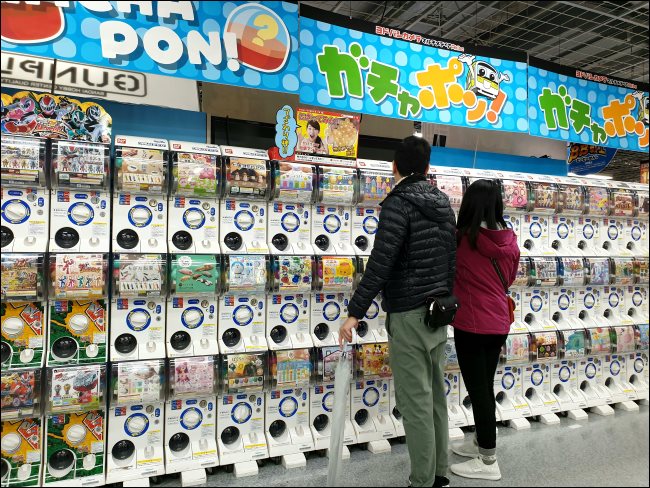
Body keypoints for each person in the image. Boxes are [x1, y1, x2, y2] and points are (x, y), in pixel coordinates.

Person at [339, 136, 457, 488]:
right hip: (438, 313)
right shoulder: (442, 203)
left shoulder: (398, 203)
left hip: (408, 314)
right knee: (436, 396)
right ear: (426, 167)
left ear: (395, 166)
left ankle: (421, 480)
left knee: (414, 401)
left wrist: (354, 312)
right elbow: (451, 261)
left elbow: (381, 263)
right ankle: (439, 472)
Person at [448, 179, 520, 481]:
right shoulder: (510, 240)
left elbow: (448, 273)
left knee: (479, 391)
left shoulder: (463, 239)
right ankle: (480, 442)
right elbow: (511, 278)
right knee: (485, 386)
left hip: (472, 323)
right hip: (499, 321)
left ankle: (488, 461)